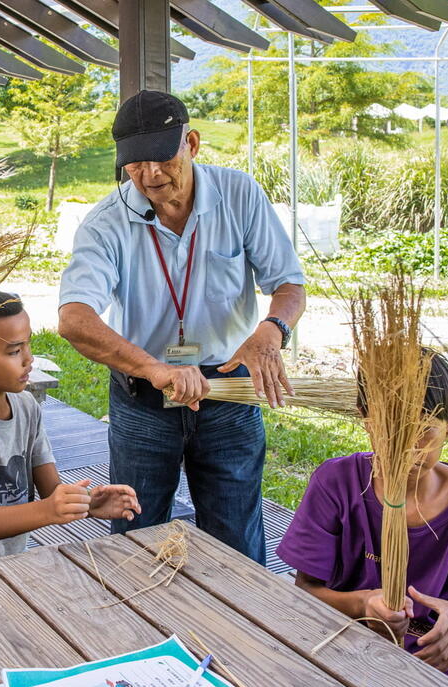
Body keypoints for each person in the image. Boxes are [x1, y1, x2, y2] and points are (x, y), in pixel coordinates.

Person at [58, 89, 305, 563]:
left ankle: (241, 630)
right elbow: (74, 319)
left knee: (236, 538)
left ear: (191, 143)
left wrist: (270, 331)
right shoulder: (106, 223)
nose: (150, 175)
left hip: (229, 389)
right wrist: (155, 369)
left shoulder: (239, 194)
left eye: (162, 158)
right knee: (136, 533)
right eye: (135, 164)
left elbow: (289, 284)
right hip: (144, 397)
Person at [276, 352, 448, 687]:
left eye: (423, 430)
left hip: (434, 666)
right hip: (340, 651)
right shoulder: (336, 483)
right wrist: (364, 603)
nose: (406, 447)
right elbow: (304, 591)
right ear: (365, 420)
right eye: (389, 427)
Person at [0, 291, 140, 570]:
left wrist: (86, 504)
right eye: (14, 351)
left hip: (11, 563)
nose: (28, 359)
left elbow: (51, 490)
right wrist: (49, 510)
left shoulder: (26, 406)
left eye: (28, 345)